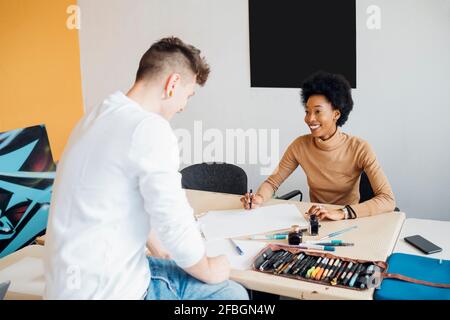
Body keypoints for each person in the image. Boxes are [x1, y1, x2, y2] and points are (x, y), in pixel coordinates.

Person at [44, 37, 248, 300]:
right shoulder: (149, 128)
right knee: (232, 295)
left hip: (65, 287)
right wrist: (209, 268)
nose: (183, 106)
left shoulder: (96, 116)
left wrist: (160, 247)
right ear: (172, 84)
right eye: (187, 96)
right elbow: (175, 223)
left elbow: (121, 200)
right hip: (109, 291)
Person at [241, 71, 396, 220]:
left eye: (317, 112)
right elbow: (272, 182)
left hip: (349, 220)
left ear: (336, 114)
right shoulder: (300, 145)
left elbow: (388, 199)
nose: (309, 119)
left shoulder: (360, 148)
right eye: (307, 111)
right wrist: (259, 198)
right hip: (315, 219)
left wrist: (342, 213)